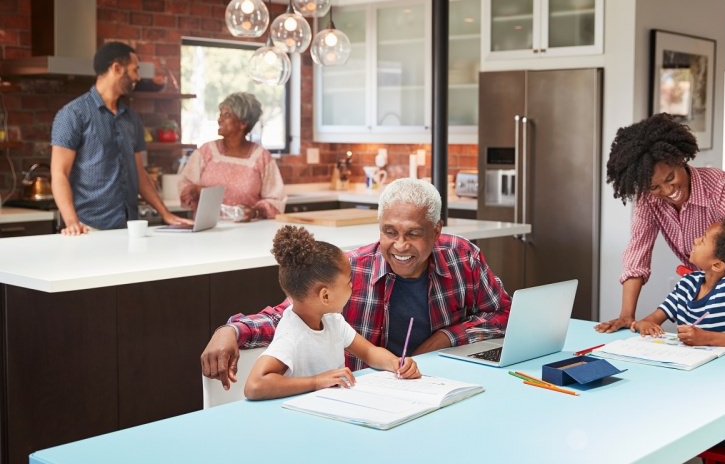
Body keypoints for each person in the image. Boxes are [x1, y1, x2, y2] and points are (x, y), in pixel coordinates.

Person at [201, 178, 511, 390]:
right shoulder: (351, 271)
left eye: (413, 234)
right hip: (367, 397)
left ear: (436, 230)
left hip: (442, 385)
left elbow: (503, 314)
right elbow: (290, 314)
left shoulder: (462, 257)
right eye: (390, 232)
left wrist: (445, 338)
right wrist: (231, 330)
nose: (400, 246)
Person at [596, 113, 725, 358]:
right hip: (704, 284)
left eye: (671, 178)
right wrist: (627, 315)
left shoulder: (720, 187)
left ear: (680, 158)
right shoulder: (648, 200)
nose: (668, 191)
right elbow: (637, 254)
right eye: (655, 187)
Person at [632, 215, 725, 445]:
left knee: (670, 426)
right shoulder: (687, 284)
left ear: (718, 265)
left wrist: (707, 338)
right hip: (697, 392)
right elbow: (651, 319)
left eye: (704, 239)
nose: (696, 239)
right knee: (655, 416)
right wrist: (646, 324)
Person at [244, 225, 420, 400]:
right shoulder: (292, 334)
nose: (352, 286)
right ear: (325, 296)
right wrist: (316, 381)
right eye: (349, 281)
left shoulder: (332, 321)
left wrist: (395, 363)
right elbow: (254, 386)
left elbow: (369, 353)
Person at [50, 41, 192, 235]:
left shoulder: (131, 119)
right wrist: (72, 222)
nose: (138, 77)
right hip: (89, 228)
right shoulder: (73, 114)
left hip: (129, 227)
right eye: (135, 70)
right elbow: (59, 173)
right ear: (116, 68)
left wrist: (165, 214)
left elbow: (139, 173)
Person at [178, 92, 286, 222]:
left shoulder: (262, 158)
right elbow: (184, 186)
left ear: (243, 123)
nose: (219, 119)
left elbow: (276, 200)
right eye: (220, 114)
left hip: (249, 233)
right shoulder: (206, 152)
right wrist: (194, 191)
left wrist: (254, 212)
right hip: (208, 231)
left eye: (227, 115)